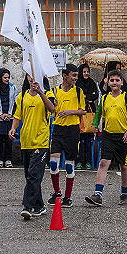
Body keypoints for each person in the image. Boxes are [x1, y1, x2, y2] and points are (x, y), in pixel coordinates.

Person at [86, 69, 127, 206]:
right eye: (111, 80)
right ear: (107, 82)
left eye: (117, 80)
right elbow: (99, 113)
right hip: (108, 135)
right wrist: (95, 125)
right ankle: (97, 194)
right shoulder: (105, 98)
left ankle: (125, 193)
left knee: (123, 165)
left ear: (121, 82)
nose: (114, 83)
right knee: (103, 163)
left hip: (123, 137)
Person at [10, 73, 55, 220]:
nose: (32, 78)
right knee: (30, 176)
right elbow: (18, 115)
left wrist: (41, 92)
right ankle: (40, 206)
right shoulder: (22, 96)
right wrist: (13, 128)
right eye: (29, 75)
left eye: (35, 75)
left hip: (41, 141)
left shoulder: (47, 94)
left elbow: (52, 109)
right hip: (26, 141)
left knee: (34, 175)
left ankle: (27, 206)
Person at [47, 64, 86, 208]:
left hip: (72, 130)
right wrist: (53, 105)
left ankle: (68, 197)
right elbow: (51, 109)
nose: (76, 78)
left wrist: (71, 112)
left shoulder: (78, 91)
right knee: (53, 163)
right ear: (65, 75)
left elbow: (83, 111)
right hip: (58, 129)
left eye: (77, 75)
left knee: (69, 165)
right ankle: (57, 193)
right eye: (73, 75)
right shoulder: (54, 91)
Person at [0, 67, 19, 167]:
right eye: (5, 77)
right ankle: (0, 159)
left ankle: (8, 159)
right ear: (0, 77)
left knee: (9, 138)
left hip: (10, 118)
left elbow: (16, 102)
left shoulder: (13, 88)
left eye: (8, 77)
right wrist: (1, 114)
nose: (7, 79)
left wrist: (10, 114)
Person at [76, 63, 100, 170]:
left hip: (90, 114)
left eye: (87, 72)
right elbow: (78, 95)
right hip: (80, 114)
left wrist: (86, 96)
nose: (86, 74)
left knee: (89, 140)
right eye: (84, 72)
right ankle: (79, 161)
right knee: (79, 140)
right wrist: (87, 97)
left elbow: (95, 95)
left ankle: (89, 161)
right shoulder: (77, 83)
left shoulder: (91, 82)